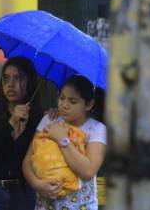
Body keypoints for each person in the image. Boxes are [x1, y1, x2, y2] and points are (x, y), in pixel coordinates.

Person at [23, 75, 107, 210]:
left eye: (72, 101)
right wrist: (36, 183)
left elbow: (88, 171)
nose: (64, 105)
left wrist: (63, 139)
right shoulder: (49, 120)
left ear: (89, 104)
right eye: (61, 98)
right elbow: (28, 160)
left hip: (81, 205)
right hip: (46, 205)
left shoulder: (97, 129)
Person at [0, 57, 45, 210]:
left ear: (30, 82)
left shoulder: (38, 116)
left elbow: (35, 159)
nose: (10, 85)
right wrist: (10, 123)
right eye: (6, 78)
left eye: (18, 78)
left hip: (23, 192)